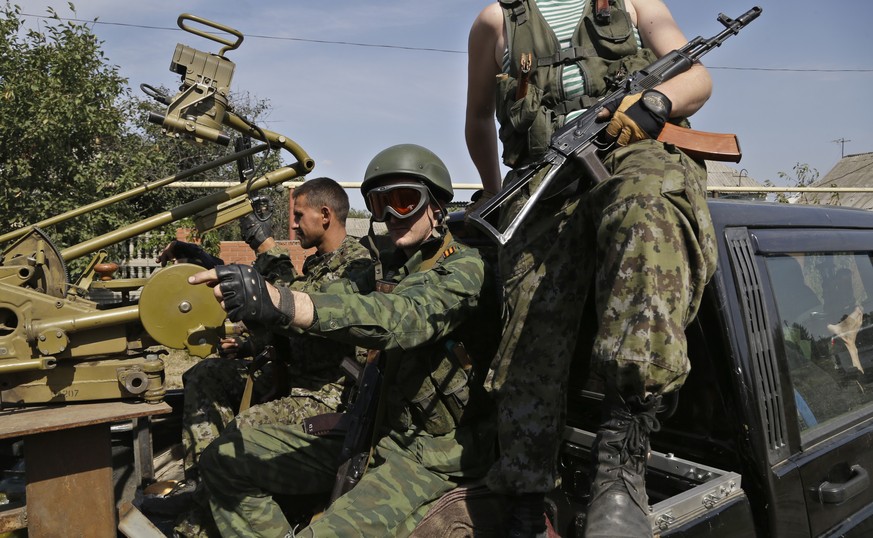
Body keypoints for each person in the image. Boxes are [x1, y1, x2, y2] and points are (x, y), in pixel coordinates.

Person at [465, 1, 718, 536]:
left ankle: (621, 470)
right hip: (544, 183)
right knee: (527, 328)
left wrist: (655, 101)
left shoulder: (633, 2)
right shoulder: (495, 20)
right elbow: (478, 120)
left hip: (633, 154)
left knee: (646, 208)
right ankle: (530, 497)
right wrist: (498, 196)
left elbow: (697, 76)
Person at [187, 143, 500, 537]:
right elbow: (337, 298)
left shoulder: (464, 269)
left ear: (436, 204)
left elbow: (402, 318)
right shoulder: (392, 267)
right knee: (225, 457)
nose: (390, 216)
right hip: (372, 430)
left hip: (430, 453)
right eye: (378, 203)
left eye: (404, 201)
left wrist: (279, 301)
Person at [145, 177, 374, 522]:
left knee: (243, 432)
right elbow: (279, 311)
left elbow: (295, 310)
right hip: (291, 372)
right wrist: (206, 264)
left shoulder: (357, 266)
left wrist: (267, 247)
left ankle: (209, 512)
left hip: (325, 391)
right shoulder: (319, 261)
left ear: (325, 215)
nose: (293, 224)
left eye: (298, 216)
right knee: (205, 376)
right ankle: (201, 488)